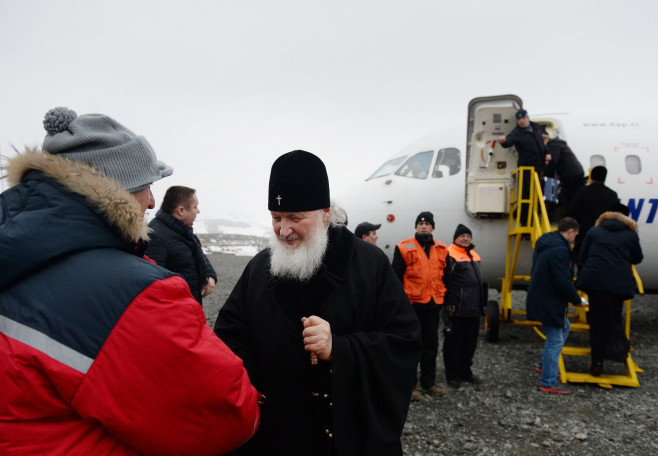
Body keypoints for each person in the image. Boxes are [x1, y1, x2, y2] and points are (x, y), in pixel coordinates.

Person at [0, 107, 260, 455]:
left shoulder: (17, 252)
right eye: (146, 186)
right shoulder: (134, 291)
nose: (153, 201)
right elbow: (225, 415)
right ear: (115, 189)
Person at [214, 150, 421, 456]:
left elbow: (403, 343)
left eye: (295, 218)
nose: (283, 230)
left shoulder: (369, 265)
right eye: (276, 218)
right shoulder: (259, 269)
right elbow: (228, 341)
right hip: (276, 437)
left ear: (325, 213)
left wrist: (340, 348)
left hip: (347, 439)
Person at [576, 203, 643, 376]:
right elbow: (638, 258)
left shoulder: (594, 231)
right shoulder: (630, 234)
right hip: (617, 284)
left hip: (595, 283)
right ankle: (616, 352)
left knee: (597, 320)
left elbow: (582, 256)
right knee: (614, 319)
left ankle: (596, 362)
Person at [392, 211, 449, 400]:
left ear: (433, 227)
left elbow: (447, 277)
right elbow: (396, 278)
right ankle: (410, 386)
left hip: (433, 304)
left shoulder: (442, 248)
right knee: (411, 345)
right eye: (420, 223)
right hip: (412, 305)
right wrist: (397, 305)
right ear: (416, 227)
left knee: (431, 345)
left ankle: (428, 383)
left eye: (427, 224)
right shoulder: (403, 247)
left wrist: (449, 302)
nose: (423, 226)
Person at [526, 217, 586, 395]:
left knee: (564, 328)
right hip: (551, 299)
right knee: (555, 339)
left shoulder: (546, 243)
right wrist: (577, 299)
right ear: (570, 232)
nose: (575, 238)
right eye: (575, 234)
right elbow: (563, 280)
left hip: (542, 295)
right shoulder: (561, 251)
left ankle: (544, 365)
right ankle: (548, 382)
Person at [145, 186, 217, 305]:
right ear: (181, 210)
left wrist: (210, 276)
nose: (198, 211)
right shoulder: (156, 236)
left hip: (189, 306)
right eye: (195, 207)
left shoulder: (184, 231)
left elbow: (199, 256)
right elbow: (152, 285)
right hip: (173, 313)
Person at [442, 224, 486, 389]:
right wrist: (448, 304)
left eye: (468, 236)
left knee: (469, 343)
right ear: (455, 238)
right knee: (453, 343)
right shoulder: (449, 254)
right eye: (462, 236)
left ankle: (465, 372)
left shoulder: (474, 255)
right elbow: (445, 280)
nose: (466, 238)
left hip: (473, 308)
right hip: (457, 308)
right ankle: (452, 375)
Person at [498, 109, 551, 225]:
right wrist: (503, 142)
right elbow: (509, 142)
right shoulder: (516, 133)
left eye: (523, 118)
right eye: (519, 119)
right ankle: (525, 220)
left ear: (527, 118)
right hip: (527, 168)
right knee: (526, 194)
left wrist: (547, 153)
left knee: (541, 192)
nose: (521, 121)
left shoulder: (535, 128)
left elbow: (541, 144)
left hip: (540, 167)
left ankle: (540, 216)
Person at [567, 165, 618, 260]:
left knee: (581, 262)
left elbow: (572, 211)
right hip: (604, 237)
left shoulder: (582, 191)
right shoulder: (612, 195)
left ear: (591, 177)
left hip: (584, 234)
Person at [542, 134, 585, 212]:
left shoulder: (553, 145)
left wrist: (546, 175)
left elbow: (553, 161)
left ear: (545, 141)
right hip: (573, 175)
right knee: (570, 198)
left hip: (571, 176)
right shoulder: (559, 145)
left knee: (570, 199)